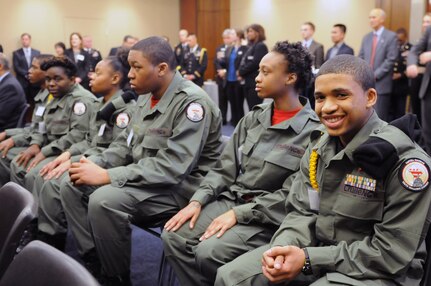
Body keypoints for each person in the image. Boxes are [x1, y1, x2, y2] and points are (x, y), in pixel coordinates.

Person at [215, 54, 431, 286]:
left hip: (378, 271)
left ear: (370, 97)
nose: (327, 107)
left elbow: (390, 254)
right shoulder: (319, 147)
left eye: (341, 95)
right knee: (231, 278)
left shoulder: (407, 164)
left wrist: (309, 259)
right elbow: (302, 212)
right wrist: (282, 248)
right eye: (320, 97)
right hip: (320, 252)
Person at [60, 36, 222, 284]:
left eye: (137, 67)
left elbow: (173, 167)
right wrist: (93, 163)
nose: (130, 74)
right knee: (72, 181)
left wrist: (107, 176)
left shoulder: (192, 103)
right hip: (145, 179)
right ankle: (95, 258)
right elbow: (124, 146)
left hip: (181, 188)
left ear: (162, 69)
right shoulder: (146, 95)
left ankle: (115, 277)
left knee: (104, 201)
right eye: (130, 67)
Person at [162, 41, 321, 286]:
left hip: (266, 215)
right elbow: (224, 169)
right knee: (173, 236)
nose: (257, 78)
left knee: (208, 252)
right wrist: (198, 200)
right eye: (258, 70)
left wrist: (238, 214)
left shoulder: (313, 133)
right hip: (232, 200)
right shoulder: (253, 118)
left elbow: (291, 197)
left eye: (266, 72)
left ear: (290, 77)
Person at [35, 53, 137, 252]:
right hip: (94, 159)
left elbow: (119, 152)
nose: (91, 76)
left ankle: (92, 252)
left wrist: (77, 161)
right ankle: (52, 241)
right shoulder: (100, 105)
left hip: (111, 167)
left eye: (97, 73)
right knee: (49, 176)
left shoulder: (125, 110)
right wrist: (69, 155)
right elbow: (90, 141)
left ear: (115, 79)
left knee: (67, 182)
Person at [7, 56, 96, 190]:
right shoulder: (56, 96)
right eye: (48, 79)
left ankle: (35, 208)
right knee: (18, 164)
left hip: (70, 151)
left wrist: (44, 152)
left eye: (57, 79)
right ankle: (23, 203)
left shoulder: (80, 101)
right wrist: (36, 144)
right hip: (52, 147)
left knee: (34, 174)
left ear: (72, 80)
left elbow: (78, 135)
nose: (51, 84)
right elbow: (41, 127)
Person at [0, 54, 52, 186]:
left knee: (9, 159)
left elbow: (46, 132)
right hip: (37, 139)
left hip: (49, 146)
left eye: (34, 67)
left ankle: (14, 200)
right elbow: (37, 127)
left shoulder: (54, 95)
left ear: (47, 72)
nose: (29, 71)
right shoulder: (42, 93)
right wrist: (9, 135)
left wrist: (13, 138)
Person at [358, 8, 398, 122]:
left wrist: (375, 75)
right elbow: (360, 57)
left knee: (379, 118)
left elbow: (391, 59)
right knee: (364, 118)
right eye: (369, 17)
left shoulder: (391, 36)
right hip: (365, 84)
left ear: (382, 19)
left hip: (382, 84)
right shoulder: (366, 37)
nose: (371, 20)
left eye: (374, 17)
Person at [407, 24, 431, 155]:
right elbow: (414, 50)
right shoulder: (430, 29)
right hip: (428, 90)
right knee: (427, 135)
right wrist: (411, 64)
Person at [239, 24, 268, 110]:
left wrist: (241, 72)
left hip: (255, 83)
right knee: (250, 109)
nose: (248, 34)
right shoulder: (251, 47)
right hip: (248, 83)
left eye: (251, 31)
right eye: (247, 32)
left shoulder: (261, 46)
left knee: (255, 109)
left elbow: (255, 63)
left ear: (258, 33)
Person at [409, 13, 431, 125]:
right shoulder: (429, 32)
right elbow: (414, 51)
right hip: (427, 87)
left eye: (428, 21)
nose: (425, 24)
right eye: (424, 22)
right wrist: (411, 64)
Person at [225, 28, 248, 126]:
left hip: (239, 80)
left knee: (239, 103)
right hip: (229, 79)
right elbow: (226, 62)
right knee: (232, 102)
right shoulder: (230, 48)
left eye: (233, 33)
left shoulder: (245, 48)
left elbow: (245, 63)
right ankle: (234, 122)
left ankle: (240, 123)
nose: (231, 35)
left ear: (238, 36)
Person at [12, 33, 41, 112]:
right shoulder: (16, 53)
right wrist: (27, 74)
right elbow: (16, 67)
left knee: (37, 102)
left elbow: (39, 66)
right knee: (23, 103)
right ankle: (24, 121)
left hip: (35, 83)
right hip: (22, 82)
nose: (25, 41)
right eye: (23, 39)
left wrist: (32, 75)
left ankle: (37, 121)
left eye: (26, 39)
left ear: (30, 40)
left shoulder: (37, 52)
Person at [0, 53, 26, 132]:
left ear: (0, 66)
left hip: (4, 131)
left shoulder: (10, 86)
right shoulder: (6, 82)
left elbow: (1, 117)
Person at [214, 29, 234, 124]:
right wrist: (220, 71)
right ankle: (223, 119)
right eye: (224, 38)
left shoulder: (234, 48)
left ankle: (234, 119)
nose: (225, 40)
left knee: (233, 99)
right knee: (222, 100)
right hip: (221, 78)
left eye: (228, 37)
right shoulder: (219, 48)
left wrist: (226, 71)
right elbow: (216, 61)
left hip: (230, 78)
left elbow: (233, 63)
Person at [391, 28, 411, 120]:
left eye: (400, 39)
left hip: (402, 84)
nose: (398, 41)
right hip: (391, 84)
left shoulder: (411, 48)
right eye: (397, 39)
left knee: (400, 110)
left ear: (405, 37)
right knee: (390, 110)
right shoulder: (393, 47)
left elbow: (411, 66)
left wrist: (401, 75)